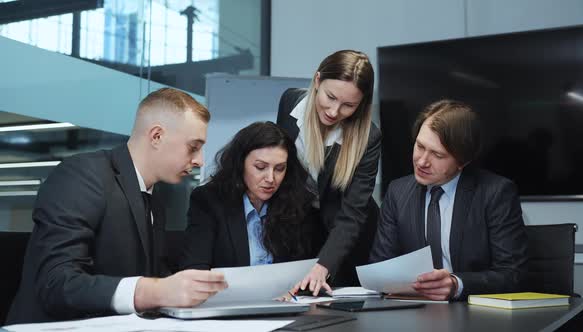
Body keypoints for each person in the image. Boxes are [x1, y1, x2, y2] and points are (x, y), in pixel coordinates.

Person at [7, 88, 228, 324]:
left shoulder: (154, 201)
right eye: (193, 147)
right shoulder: (82, 176)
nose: (200, 160)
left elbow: (152, 277)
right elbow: (56, 283)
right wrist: (154, 291)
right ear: (156, 136)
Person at [370, 99, 527, 301]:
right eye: (420, 146)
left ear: (463, 161)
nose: (422, 161)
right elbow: (381, 266)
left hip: (474, 316)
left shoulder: (495, 193)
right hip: (413, 312)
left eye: (437, 154)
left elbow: (513, 274)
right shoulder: (397, 192)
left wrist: (456, 284)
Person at [277, 50, 381, 294]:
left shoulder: (368, 137)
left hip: (349, 239)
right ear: (317, 81)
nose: (334, 111)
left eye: (348, 105)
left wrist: (324, 265)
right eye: (330, 97)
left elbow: (353, 213)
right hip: (305, 229)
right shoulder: (290, 103)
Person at [179, 122, 321, 270]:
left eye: (279, 169)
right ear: (240, 164)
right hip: (228, 293)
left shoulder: (298, 203)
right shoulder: (208, 200)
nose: (271, 179)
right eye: (260, 167)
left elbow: (306, 267)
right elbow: (194, 269)